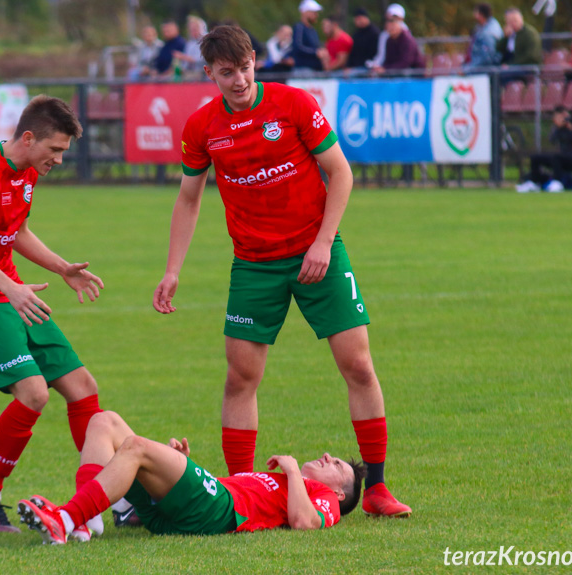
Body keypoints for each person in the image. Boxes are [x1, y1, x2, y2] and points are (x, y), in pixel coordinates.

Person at [152, 25, 412, 518]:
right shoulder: (203, 126)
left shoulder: (293, 104)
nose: (239, 80)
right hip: (254, 264)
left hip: (319, 253)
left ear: (255, 59)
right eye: (226, 73)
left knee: (358, 366)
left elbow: (341, 173)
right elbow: (188, 199)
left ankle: (376, 488)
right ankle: (235, 490)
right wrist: (172, 270)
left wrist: (321, 243)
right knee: (240, 378)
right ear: (209, 73)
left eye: (245, 67)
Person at [0, 95, 107, 533]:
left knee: (82, 387)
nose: (58, 159)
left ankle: (99, 496)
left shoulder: (28, 173)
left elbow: (16, 232)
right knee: (34, 393)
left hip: (12, 291)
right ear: (29, 138)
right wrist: (11, 288)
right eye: (54, 150)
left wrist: (61, 267)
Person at [16, 410, 367, 543]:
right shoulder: (296, 487)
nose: (327, 457)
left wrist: (292, 469)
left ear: (338, 494)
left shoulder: (321, 499)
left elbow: (304, 523)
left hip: (218, 509)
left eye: (337, 465)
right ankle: (83, 523)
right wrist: (180, 466)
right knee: (102, 421)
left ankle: (65, 518)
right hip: (204, 500)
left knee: (136, 447)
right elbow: (216, 489)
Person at [516, 106, 572, 193]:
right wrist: (558, 127)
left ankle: (557, 183)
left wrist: (571, 128)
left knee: (556, 157)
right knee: (535, 157)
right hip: (560, 157)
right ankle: (534, 183)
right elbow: (552, 139)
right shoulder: (558, 129)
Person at [372, 9, 425, 73]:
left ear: (399, 26)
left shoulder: (408, 40)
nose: (391, 29)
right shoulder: (389, 41)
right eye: (389, 28)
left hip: (415, 74)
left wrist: (385, 69)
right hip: (398, 74)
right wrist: (380, 68)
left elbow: (406, 62)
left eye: (393, 27)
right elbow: (388, 60)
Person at [463, 3, 503, 70]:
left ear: (480, 15)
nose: (474, 15)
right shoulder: (481, 27)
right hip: (476, 65)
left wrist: (469, 69)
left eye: (475, 13)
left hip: (484, 70)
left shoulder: (488, 33)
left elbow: (487, 58)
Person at [292, 0, 324, 74]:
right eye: (314, 13)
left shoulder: (312, 30)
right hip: (303, 70)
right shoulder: (299, 27)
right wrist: (315, 52)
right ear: (305, 12)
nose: (316, 15)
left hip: (314, 70)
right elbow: (298, 46)